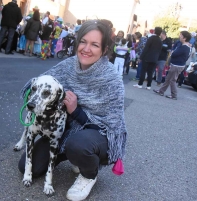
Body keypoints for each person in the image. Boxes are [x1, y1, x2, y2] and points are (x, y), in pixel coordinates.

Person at [18, 20, 127, 201]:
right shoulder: (69, 65)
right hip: (65, 129)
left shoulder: (112, 80)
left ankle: (89, 174)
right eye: (83, 41)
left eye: (94, 44)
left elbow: (111, 126)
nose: (86, 48)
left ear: (104, 49)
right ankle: (74, 155)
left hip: (98, 135)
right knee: (28, 167)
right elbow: (39, 83)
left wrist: (75, 111)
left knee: (78, 145)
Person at [153, 31, 192, 100]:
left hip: (177, 65)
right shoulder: (184, 46)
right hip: (176, 65)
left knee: (172, 80)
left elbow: (174, 54)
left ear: (184, 38)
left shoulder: (184, 47)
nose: (179, 36)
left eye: (181, 35)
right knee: (168, 79)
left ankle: (174, 95)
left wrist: (172, 52)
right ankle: (161, 91)